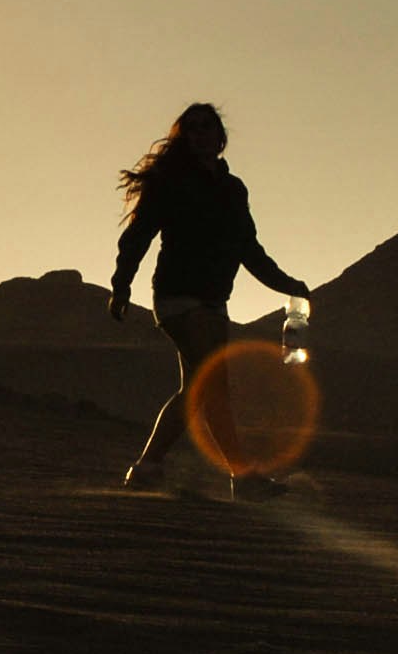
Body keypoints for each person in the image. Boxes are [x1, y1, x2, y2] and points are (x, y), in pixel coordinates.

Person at [109, 101, 311, 494]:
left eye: (208, 127)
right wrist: (121, 284)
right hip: (178, 298)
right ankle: (243, 477)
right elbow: (138, 235)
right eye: (193, 128)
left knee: (196, 391)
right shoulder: (170, 181)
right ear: (184, 137)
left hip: (215, 302)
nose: (201, 134)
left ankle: (147, 468)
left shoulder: (233, 189)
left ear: (220, 137)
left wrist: (287, 284)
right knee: (214, 385)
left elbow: (248, 248)